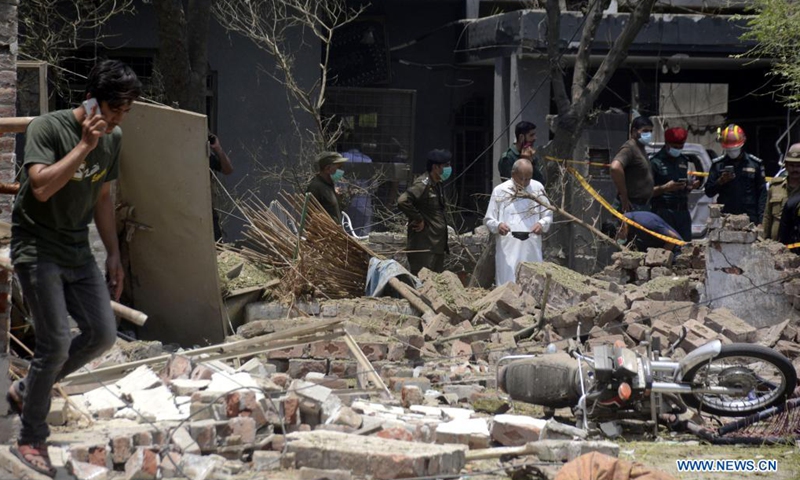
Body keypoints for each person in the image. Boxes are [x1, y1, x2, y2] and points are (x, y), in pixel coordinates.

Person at [7, 60, 141, 477]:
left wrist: (114, 254)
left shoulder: (113, 138)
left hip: (77, 248)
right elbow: (42, 187)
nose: (118, 119)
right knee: (55, 344)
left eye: (124, 112)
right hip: (36, 245)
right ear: (93, 100)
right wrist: (83, 146)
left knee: (102, 335)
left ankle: (28, 390)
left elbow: (102, 197)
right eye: (114, 109)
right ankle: (30, 439)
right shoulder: (48, 128)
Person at [484, 159, 553, 285]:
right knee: (508, 281)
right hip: (508, 246)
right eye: (521, 178)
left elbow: (548, 214)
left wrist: (541, 224)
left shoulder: (537, 188)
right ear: (513, 174)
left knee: (533, 281)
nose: (524, 182)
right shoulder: (500, 190)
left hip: (531, 244)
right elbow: (489, 219)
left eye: (528, 179)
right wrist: (498, 225)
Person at [397, 149, 452, 274]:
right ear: (435, 167)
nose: (449, 168)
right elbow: (402, 201)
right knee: (422, 282)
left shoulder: (437, 184)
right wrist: (418, 219)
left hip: (436, 245)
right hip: (425, 246)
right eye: (446, 166)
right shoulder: (423, 184)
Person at [704, 124, 767, 225]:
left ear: (742, 144)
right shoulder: (718, 165)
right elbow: (709, 191)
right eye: (729, 150)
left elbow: (762, 193)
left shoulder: (755, 164)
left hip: (749, 218)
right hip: (726, 218)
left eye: (734, 149)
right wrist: (720, 182)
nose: (732, 152)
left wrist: (761, 220)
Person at [650, 127, 701, 242]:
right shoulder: (655, 162)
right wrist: (665, 188)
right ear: (667, 143)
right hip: (664, 212)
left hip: (682, 212)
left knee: (685, 249)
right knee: (665, 249)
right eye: (675, 147)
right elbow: (647, 192)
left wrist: (690, 187)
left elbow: (683, 189)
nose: (678, 150)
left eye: (680, 147)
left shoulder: (683, 160)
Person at [610, 116, 655, 213]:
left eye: (651, 131)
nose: (649, 134)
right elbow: (615, 168)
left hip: (642, 205)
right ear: (634, 131)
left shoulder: (640, 148)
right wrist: (624, 196)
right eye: (645, 131)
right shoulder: (630, 148)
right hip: (632, 205)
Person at [763, 143, 800, 240]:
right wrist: (763, 239)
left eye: (798, 166)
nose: (795, 169)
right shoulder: (775, 187)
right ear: (786, 166)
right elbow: (767, 217)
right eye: (791, 165)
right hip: (775, 246)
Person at [498, 121, 546, 185]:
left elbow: (541, 182)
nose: (535, 138)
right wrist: (524, 162)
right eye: (531, 135)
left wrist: (531, 163)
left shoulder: (531, 155)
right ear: (521, 137)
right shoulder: (507, 158)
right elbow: (512, 184)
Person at [306, 151, 348, 223]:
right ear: (328, 168)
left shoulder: (329, 186)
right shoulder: (315, 187)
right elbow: (310, 216)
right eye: (339, 167)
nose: (341, 170)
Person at [340, 148, 373, 237]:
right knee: (363, 232)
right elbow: (373, 184)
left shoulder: (341, 157)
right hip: (364, 200)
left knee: (346, 228)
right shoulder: (368, 160)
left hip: (346, 199)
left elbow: (337, 180)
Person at [208, 133, 233, 241]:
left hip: (207, 208)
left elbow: (228, 169)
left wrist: (217, 149)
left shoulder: (207, 158)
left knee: (216, 244)